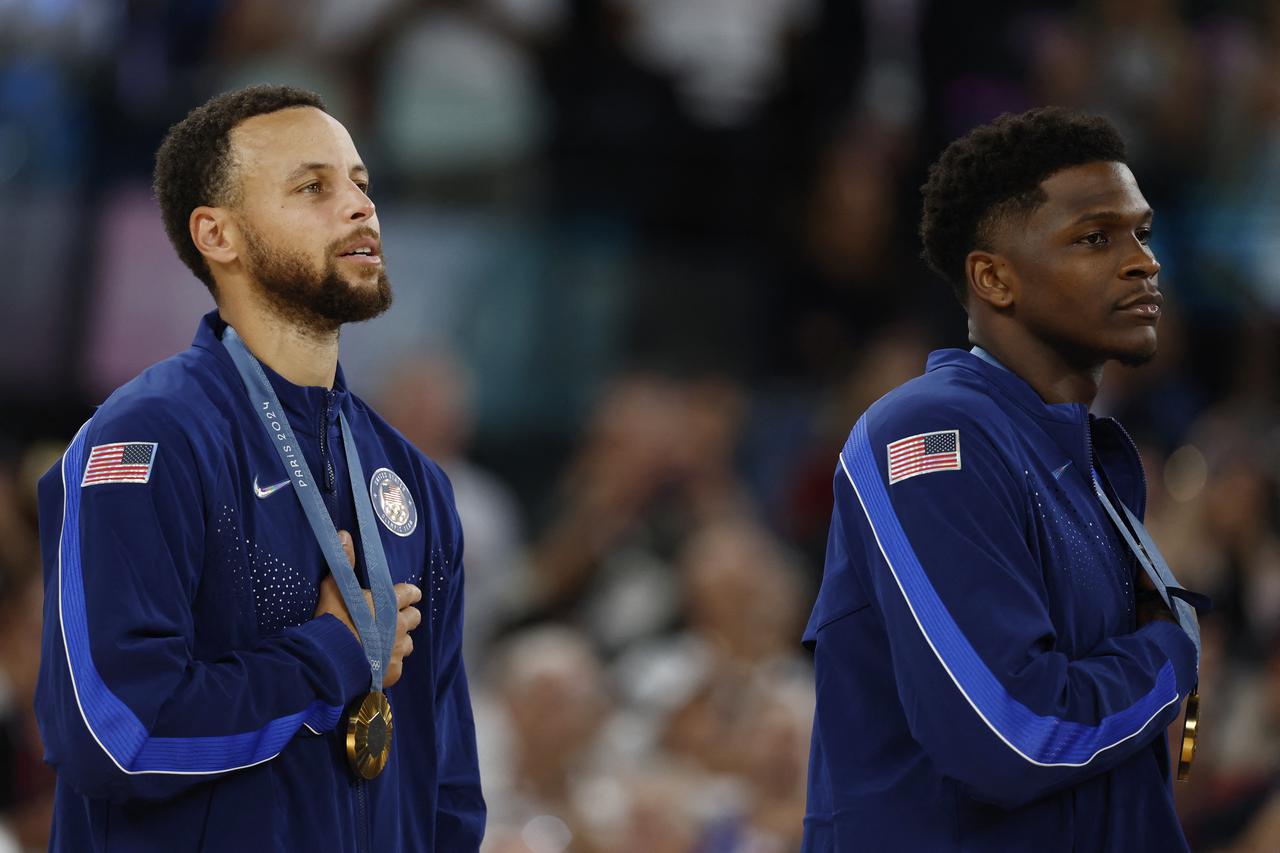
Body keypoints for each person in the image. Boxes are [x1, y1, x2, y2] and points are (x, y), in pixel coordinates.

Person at [33, 85, 484, 851]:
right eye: (314, 187)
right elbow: (115, 735)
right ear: (218, 234)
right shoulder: (148, 441)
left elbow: (446, 789)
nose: (359, 207)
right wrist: (328, 656)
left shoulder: (411, 480)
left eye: (361, 184)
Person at [801, 107, 1203, 851]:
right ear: (993, 277)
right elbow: (1014, 732)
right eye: (1095, 238)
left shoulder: (1089, 460)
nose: (1144, 260)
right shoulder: (928, 435)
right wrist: (1172, 652)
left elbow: (1142, 761)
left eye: (1142, 232)